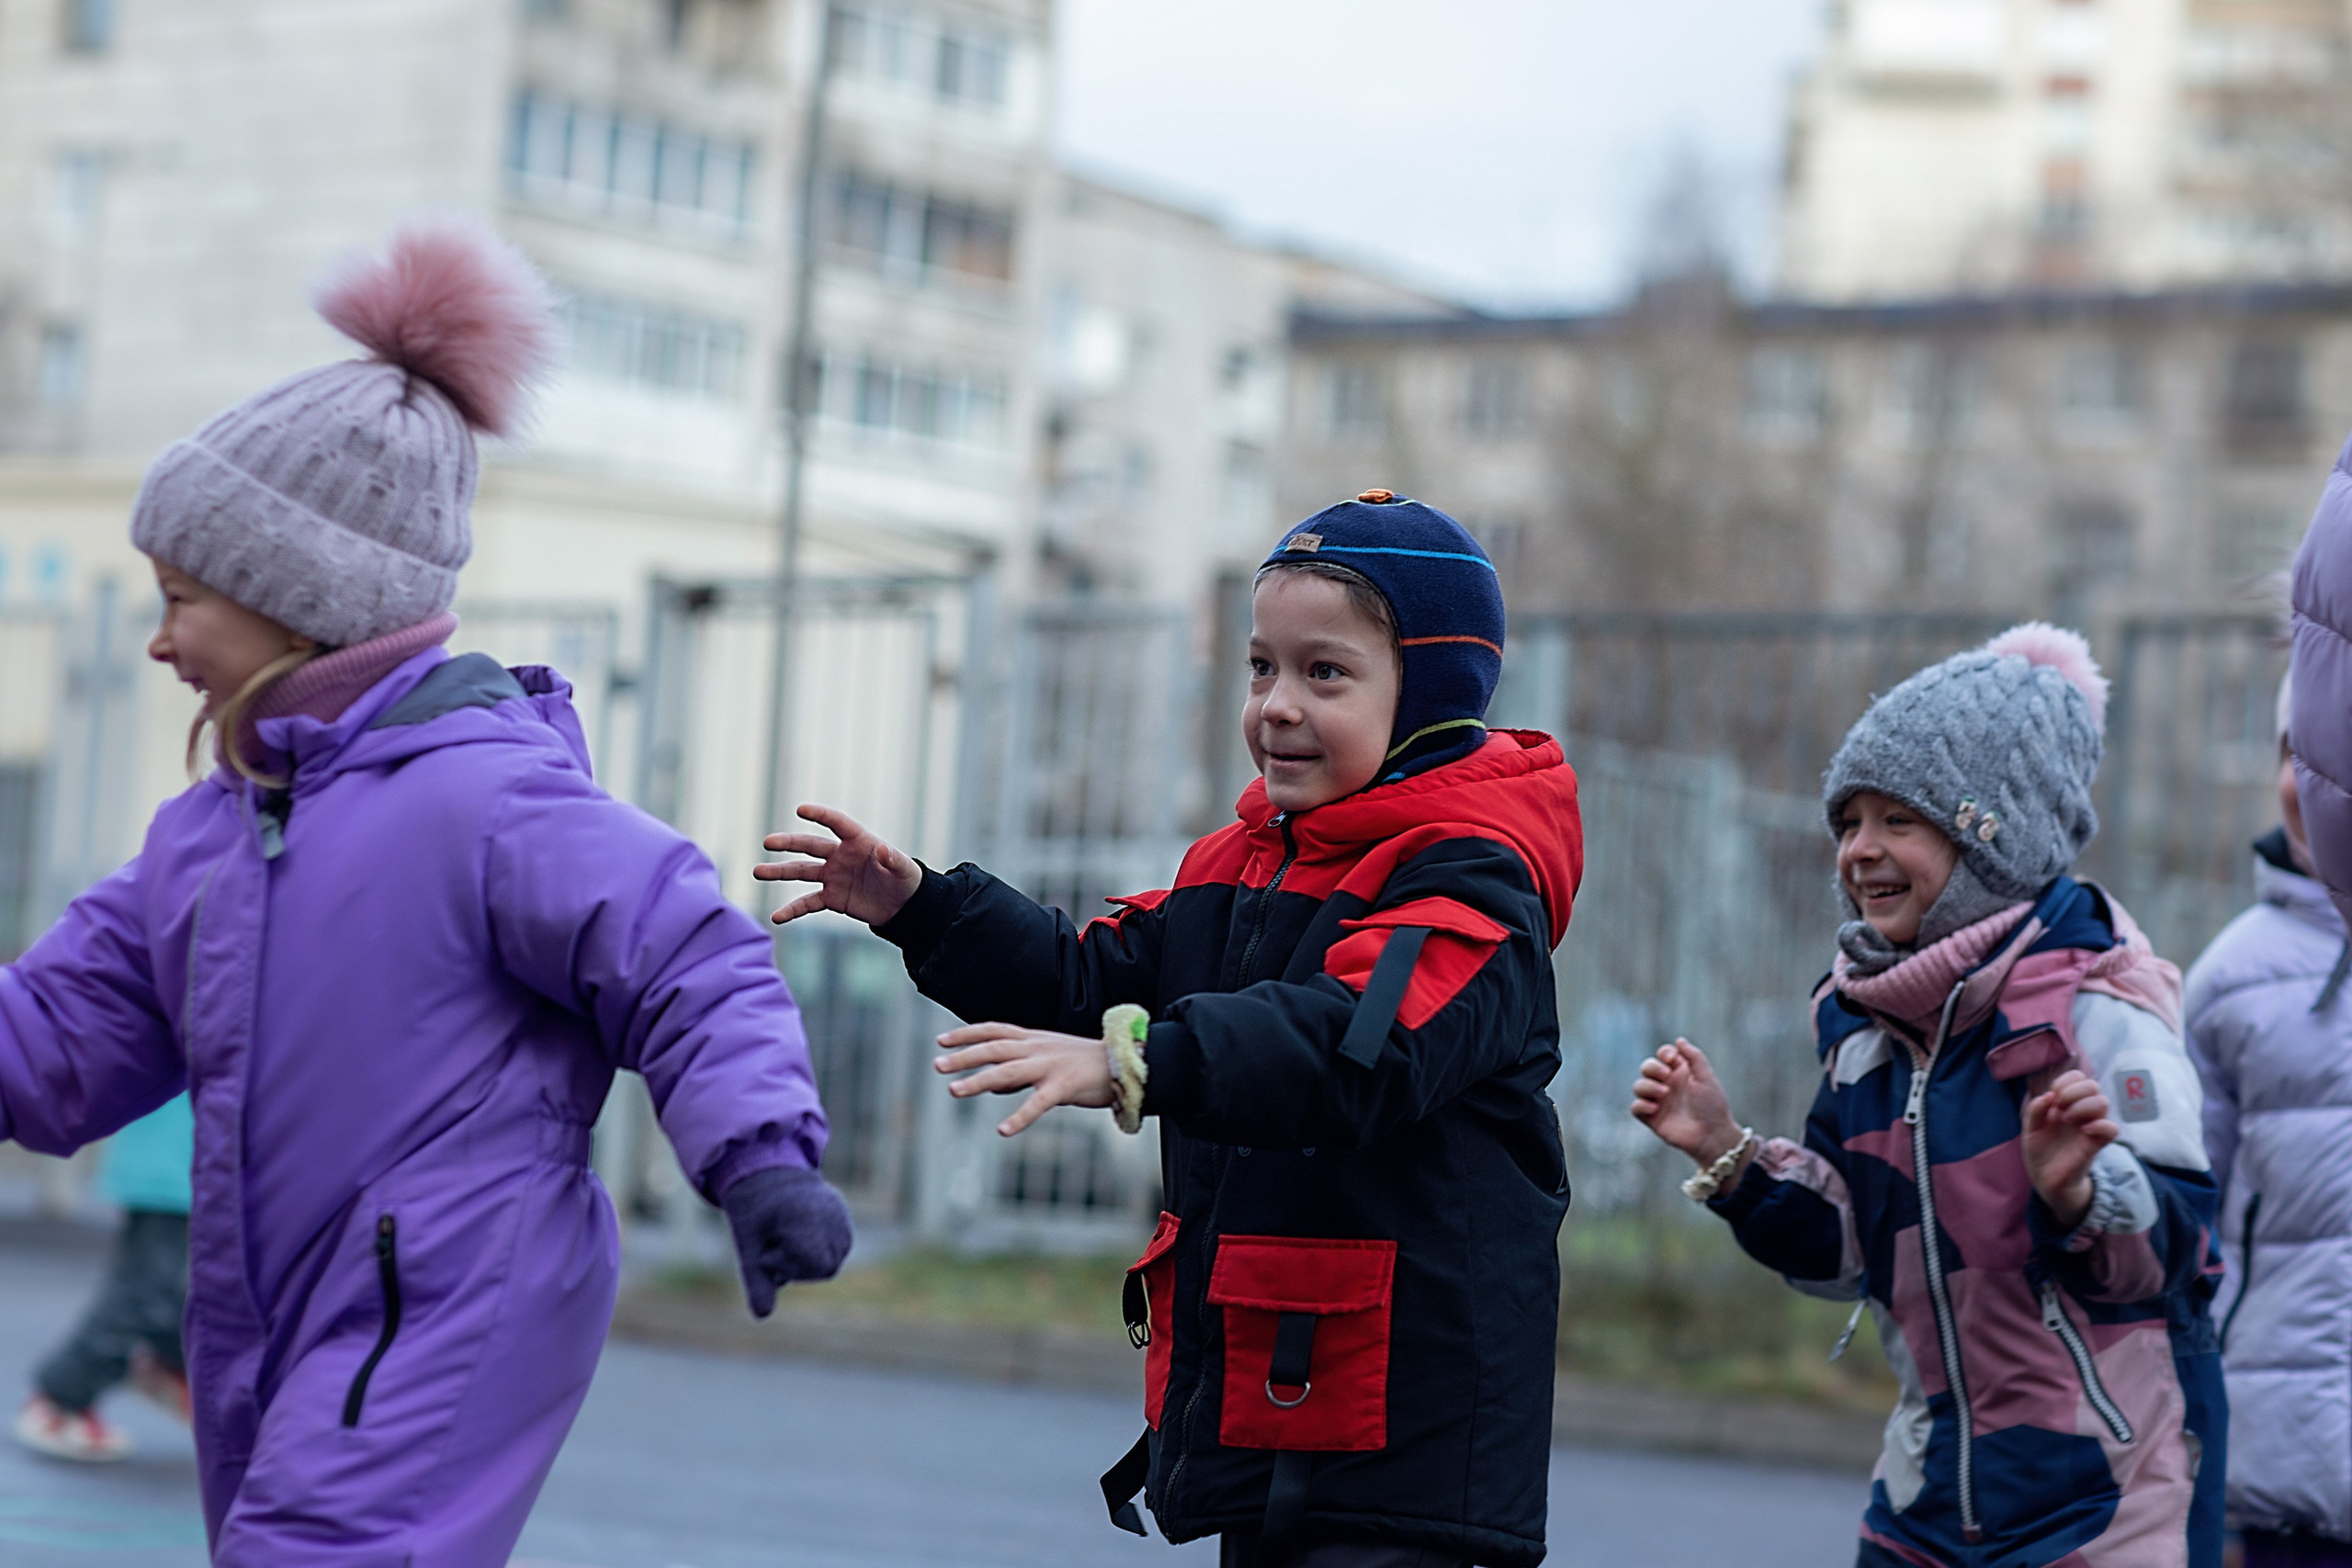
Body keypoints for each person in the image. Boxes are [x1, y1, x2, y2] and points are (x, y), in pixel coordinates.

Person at [0, 218, 852, 1562]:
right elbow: (45, 1048)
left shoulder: (485, 798)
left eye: (183, 598)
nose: (158, 639)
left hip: (443, 1299)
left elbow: (686, 952)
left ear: (300, 601)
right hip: (263, 1310)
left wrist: (759, 1154)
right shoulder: (207, 838)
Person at [760, 493, 1582, 1568]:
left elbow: (1356, 1045)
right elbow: (1086, 978)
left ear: (1426, 695)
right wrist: (921, 904)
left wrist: (1138, 1061)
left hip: (1401, 1454)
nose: (1276, 706)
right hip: (1279, 1406)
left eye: (1322, 673)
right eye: (1259, 667)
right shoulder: (1236, 866)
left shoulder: (1472, 874)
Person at [1630, 625, 2225, 1567]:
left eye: (1898, 821)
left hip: (2102, 1499)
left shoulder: (2097, 1010)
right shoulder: (1862, 1022)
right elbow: (1846, 1255)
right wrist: (1729, 1156)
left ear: (1995, 839)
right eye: (1847, 822)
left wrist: (2083, 1192)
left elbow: (2186, 1255)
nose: (1858, 851)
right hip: (1923, 1496)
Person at [2186, 677, 2352, 1565]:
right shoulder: (2231, 980)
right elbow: (2180, 1217)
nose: (2308, 780)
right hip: (2293, 1467)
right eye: (2295, 754)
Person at [15, 1095, 195, 1461]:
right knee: (146, 1289)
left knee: (174, 1284)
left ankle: (170, 1362)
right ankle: (59, 1401)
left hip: (186, 1166)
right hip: (176, 1167)